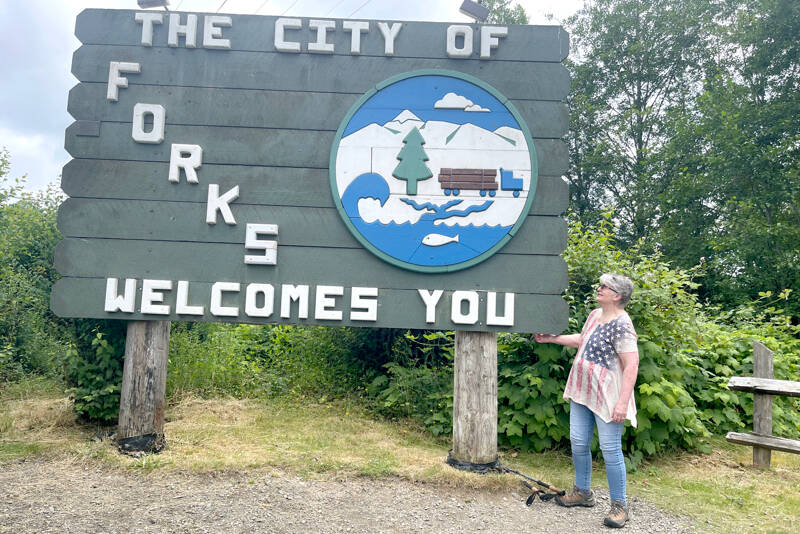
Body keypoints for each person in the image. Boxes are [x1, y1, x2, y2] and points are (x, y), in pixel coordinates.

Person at [534, 273, 639, 529]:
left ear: (618, 296)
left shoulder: (623, 325)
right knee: (579, 442)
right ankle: (582, 493)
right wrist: (552, 338)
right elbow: (583, 340)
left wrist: (622, 403)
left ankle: (619, 507)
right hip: (582, 390)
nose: (600, 288)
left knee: (610, 449)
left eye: (605, 286)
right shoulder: (594, 315)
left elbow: (632, 363)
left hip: (608, 396)